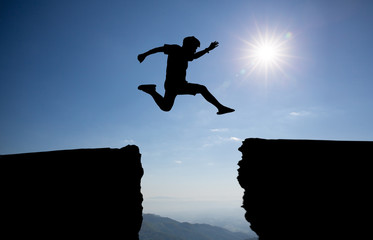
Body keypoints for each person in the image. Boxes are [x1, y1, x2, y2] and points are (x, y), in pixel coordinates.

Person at [137, 36, 235, 115]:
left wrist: (208, 49)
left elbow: (194, 57)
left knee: (166, 107)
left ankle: (151, 90)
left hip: (174, 85)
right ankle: (220, 107)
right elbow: (159, 49)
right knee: (202, 89)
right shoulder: (175, 49)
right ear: (189, 46)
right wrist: (144, 54)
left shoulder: (185, 55)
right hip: (175, 85)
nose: (195, 50)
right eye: (195, 48)